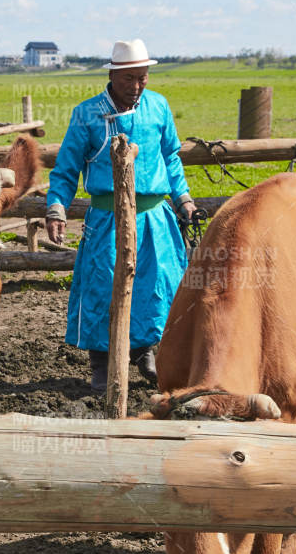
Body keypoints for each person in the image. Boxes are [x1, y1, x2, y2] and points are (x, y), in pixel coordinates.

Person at [46, 39, 197, 392]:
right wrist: (56, 207)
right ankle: (101, 365)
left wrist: (184, 199)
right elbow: (66, 169)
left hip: (154, 217)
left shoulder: (159, 107)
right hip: (107, 219)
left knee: (157, 286)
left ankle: (147, 352)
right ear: (113, 75)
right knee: (102, 287)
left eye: (142, 78)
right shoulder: (87, 114)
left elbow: (170, 157)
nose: (137, 86)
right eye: (130, 78)